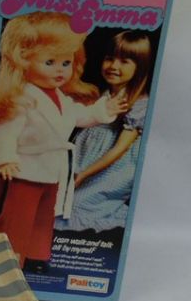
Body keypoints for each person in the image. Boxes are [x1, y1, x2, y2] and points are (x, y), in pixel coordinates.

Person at [0, 12, 126, 272]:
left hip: (53, 169)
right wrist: (5, 158)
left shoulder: (61, 97)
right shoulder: (21, 98)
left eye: (66, 62)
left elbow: (80, 116)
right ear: (23, 60)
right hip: (25, 168)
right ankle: (9, 259)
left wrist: (104, 109)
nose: (60, 70)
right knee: (18, 217)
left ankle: (36, 255)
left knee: (44, 216)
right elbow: (5, 133)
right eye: (50, 62)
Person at [55, 31, 153, 233]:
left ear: (140, 67)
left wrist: (83, 174)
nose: (113, 66)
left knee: (77, 204)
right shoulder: (102, 95)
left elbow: (119, 150)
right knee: (56, 197)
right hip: (83, 158)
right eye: (109, 58)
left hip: (110, 169)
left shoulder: (139, 104)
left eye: (124, 61)